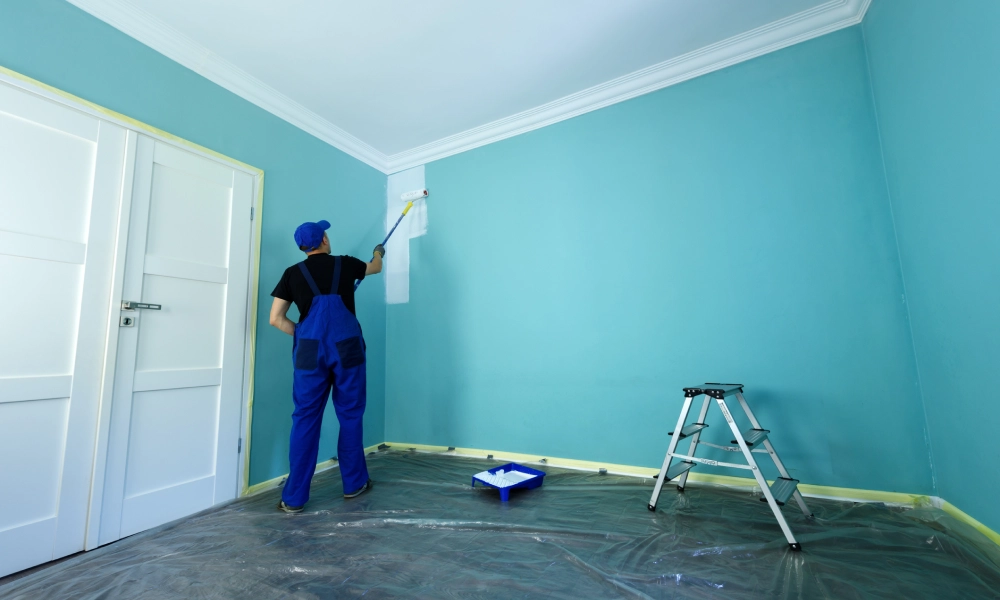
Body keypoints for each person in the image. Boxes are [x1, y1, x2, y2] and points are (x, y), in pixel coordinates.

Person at [269, 219, 384, 512]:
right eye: (326, 234)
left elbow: (276, 319)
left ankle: (293, 498)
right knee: (350, 413)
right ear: (323, 241)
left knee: (305, 416)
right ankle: (354, 484)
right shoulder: (345, 264)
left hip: (309, 349)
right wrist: (378, 253)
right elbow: (374, 268)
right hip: (346, 347)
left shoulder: (292, 274)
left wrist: (306, 333)